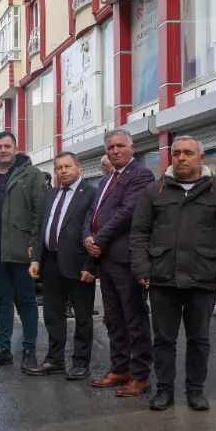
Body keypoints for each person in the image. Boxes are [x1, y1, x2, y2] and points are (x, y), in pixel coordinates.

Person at [130, 136, 216, 411]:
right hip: (162, 278)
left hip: (203, 279)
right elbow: (139, 233)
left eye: (188, 153)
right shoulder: (154, 191)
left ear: (201, 158)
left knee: (199, 339)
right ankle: (164, 390)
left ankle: (195, 390)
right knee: (163, 340)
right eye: (176, 153)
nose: (181, 157)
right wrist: (142, 267)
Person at [83, 128, 155, 397]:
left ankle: (140, 375)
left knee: (135, 319)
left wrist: (98, 239)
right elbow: (92, 212)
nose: (115, 151)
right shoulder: (107, 179)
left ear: (132, 148)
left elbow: (127, 213)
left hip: (126, 259)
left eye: (120, 146)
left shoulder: (141, 175)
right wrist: (87, 237)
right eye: (110, 147)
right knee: (113, 318)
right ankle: (120, 368)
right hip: (105, 260)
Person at [0, 131, 45, 372]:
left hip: (22, 250)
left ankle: (29, 350)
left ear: (15, 148)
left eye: (7, 146)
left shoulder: (31, 174)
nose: (2, 150)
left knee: (26, 300)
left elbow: (39, 212)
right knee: (2, 300)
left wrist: (35, 244)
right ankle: (4, 350)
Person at [26, 152, 98, 380]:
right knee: (53, 314)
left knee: (83, 316)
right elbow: (40, 229)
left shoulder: (91, 194)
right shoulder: (50, 195)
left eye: (68, 166)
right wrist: (36, 259)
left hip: (79, 264)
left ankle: (80, 362)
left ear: (79, 167)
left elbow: (96, 231)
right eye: (59, 168)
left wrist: (91, 265)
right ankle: (54, 360)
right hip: (50, 262)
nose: (63, 171)